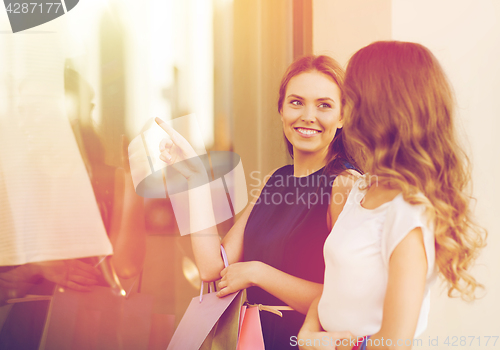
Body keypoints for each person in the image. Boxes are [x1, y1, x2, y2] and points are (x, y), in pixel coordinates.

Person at [156, 55, 361, 349]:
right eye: (296, 102)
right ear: (281, 110)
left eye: (324, 105)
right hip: (257, 340)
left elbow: (346, 300)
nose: (308, 115)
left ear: (342, 117)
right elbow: (213, 268)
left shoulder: (346, 185)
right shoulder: (274, 181)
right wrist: (196, 179)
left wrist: (258, 273)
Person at [297, 41, 487, 350]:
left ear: (379, 109)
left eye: (351, 96)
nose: (344, 106)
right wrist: (308, 333)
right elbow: (332, 285)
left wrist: (327, 346)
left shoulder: (407, 213)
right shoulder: (359, 189)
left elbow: (393, 344)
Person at [0, 68, 146, 349]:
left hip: (93, 330)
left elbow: (126, 267)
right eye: (21, 109)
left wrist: (134, 182)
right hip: (22, 333)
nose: (24, 120)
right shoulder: (11, 184)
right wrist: (36, 268)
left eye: (33, 109)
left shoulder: (112, 180)